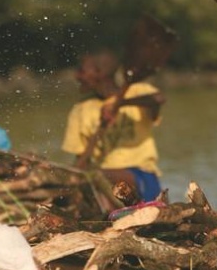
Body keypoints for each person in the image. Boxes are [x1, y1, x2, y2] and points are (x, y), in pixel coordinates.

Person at [61, 50, 165, 203]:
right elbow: (81, 159)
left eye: (82, 71)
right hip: (102, 180)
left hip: (141, 174)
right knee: (88, 178)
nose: (77, 76)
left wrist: (120, 104)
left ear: (100, 73)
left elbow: (158, 99)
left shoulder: (136, 92)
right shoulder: (80, 110)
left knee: (96, 175)